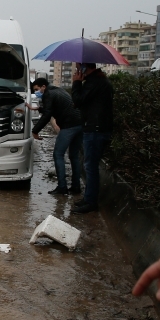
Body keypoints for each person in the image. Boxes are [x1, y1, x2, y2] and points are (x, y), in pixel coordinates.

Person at [70, 63, 114, 214]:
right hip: (96, 128)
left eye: (78, 67)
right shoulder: (98, 81)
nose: (77, 70)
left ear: (84, 68)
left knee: (90, 166)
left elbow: (77, 100)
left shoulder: (95, 83)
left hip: (95, 129)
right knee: (89, 165)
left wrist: (76, 83)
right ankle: (88, 198)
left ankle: (90, 202)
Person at [31, 78, 83, 195]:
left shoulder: (48, 94)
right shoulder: (59, 90)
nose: (36, 92)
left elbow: (47, 114)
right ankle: (75, 187)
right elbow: (54, 108)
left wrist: (35, 131)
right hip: (80, 124)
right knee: (74, 156)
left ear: (43, 86)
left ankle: (62, 187)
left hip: (69, 125)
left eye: (37, 89)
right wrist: (39, 108)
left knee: (58, 154)